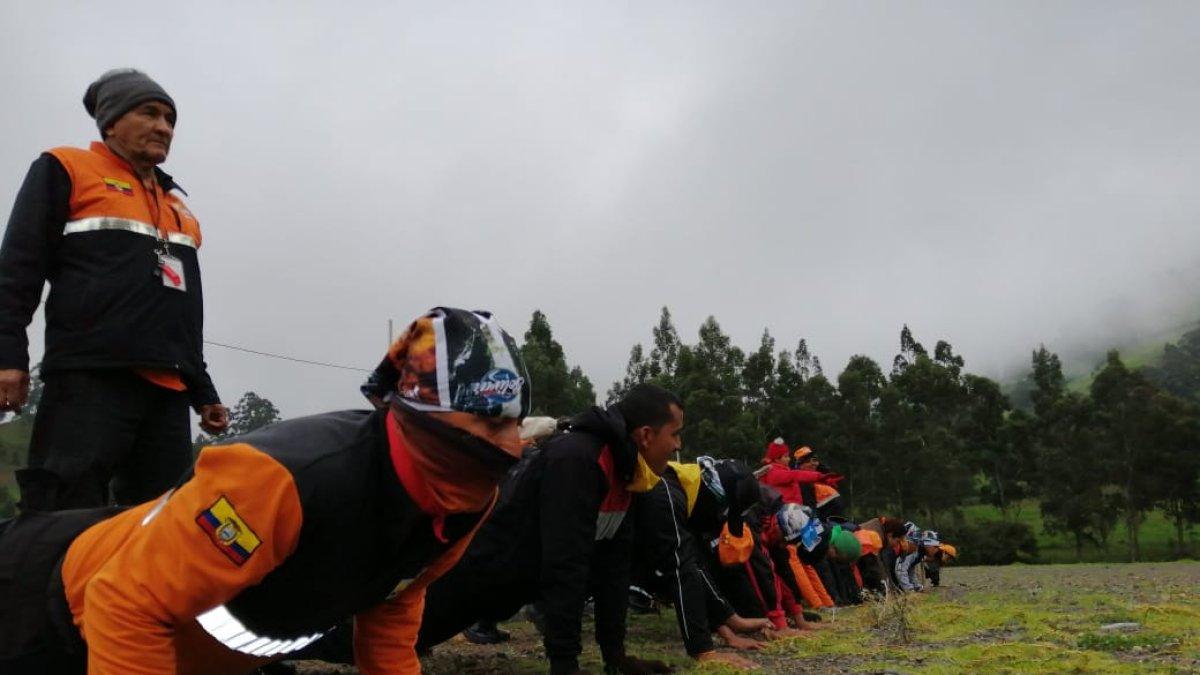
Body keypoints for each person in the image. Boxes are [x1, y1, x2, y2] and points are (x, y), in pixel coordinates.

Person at [0, 307, 528, 675]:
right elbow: (125, 606)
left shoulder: (463, 506)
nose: (510, 446)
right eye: (489, 421)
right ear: (417, 412)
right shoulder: (280, 481)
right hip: (41, 610)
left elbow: (391, 610)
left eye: (515, 423)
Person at [0, 69, 227, 512]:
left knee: (160, 521)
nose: (163, 127)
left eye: (170, 119)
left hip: (167, 390)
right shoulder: (66, 168)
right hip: (90, 378)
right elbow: (18, 269)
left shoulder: (178, 206)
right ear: (110, 123)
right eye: (149, 113)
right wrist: (8, 355)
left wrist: (203, 391)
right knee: (63, 511)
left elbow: (183, 309)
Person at [417, 383, 684, 675]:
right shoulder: (578, 459)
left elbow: (614, 570)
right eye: (675, 434)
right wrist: (565, 665)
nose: (678, 446)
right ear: (646, 435)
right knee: (395, 638)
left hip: (518, 585)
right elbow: (565, 566)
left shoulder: (628, 471)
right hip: (478, 577)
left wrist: (616, 657)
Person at [634, 456, 777, 670]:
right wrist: (704, 651)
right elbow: (682, 571)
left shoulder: (686, 490)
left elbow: (698, 567)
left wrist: (731, 627)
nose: (717, 523)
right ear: (714, 496)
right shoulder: (667, 493)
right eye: (721, 515)